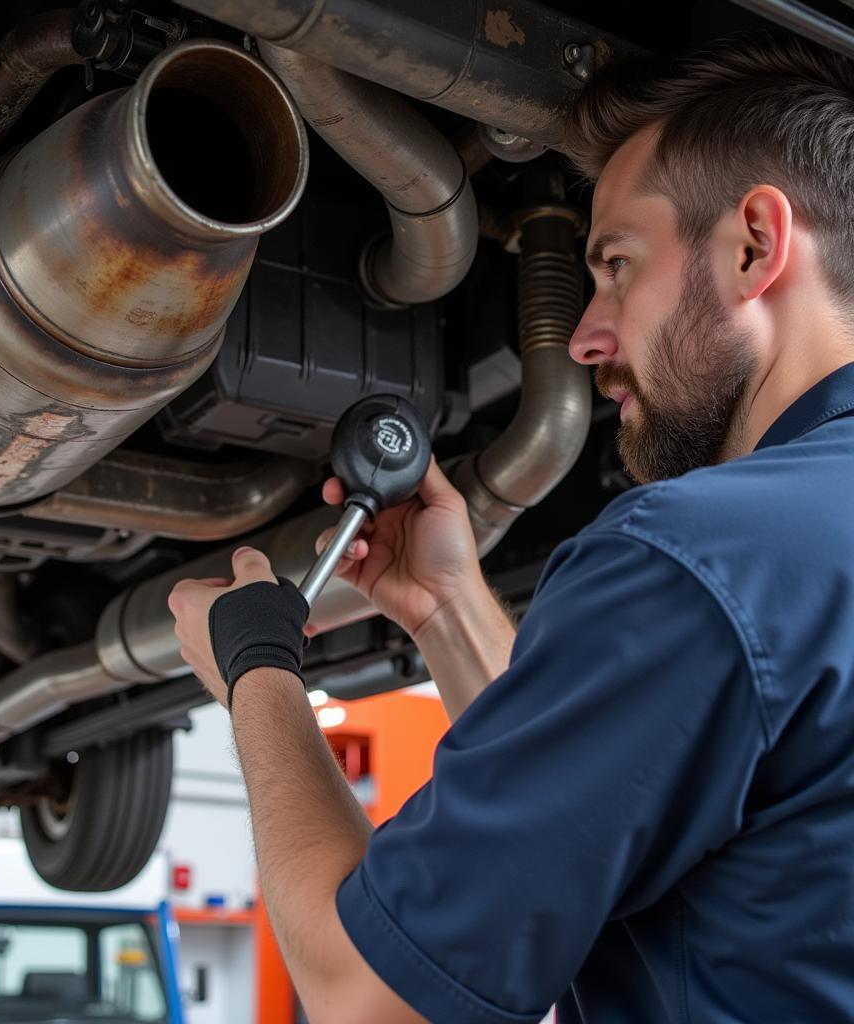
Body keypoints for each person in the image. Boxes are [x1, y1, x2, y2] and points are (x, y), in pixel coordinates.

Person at [168, 31, 854, 1023]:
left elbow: (366, 995)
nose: (583, 335)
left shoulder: (705, 557)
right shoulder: (775, 562)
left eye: (616, 265)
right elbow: (609, 787)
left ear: (753, 242)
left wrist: (256, 672)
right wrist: (448, 606)